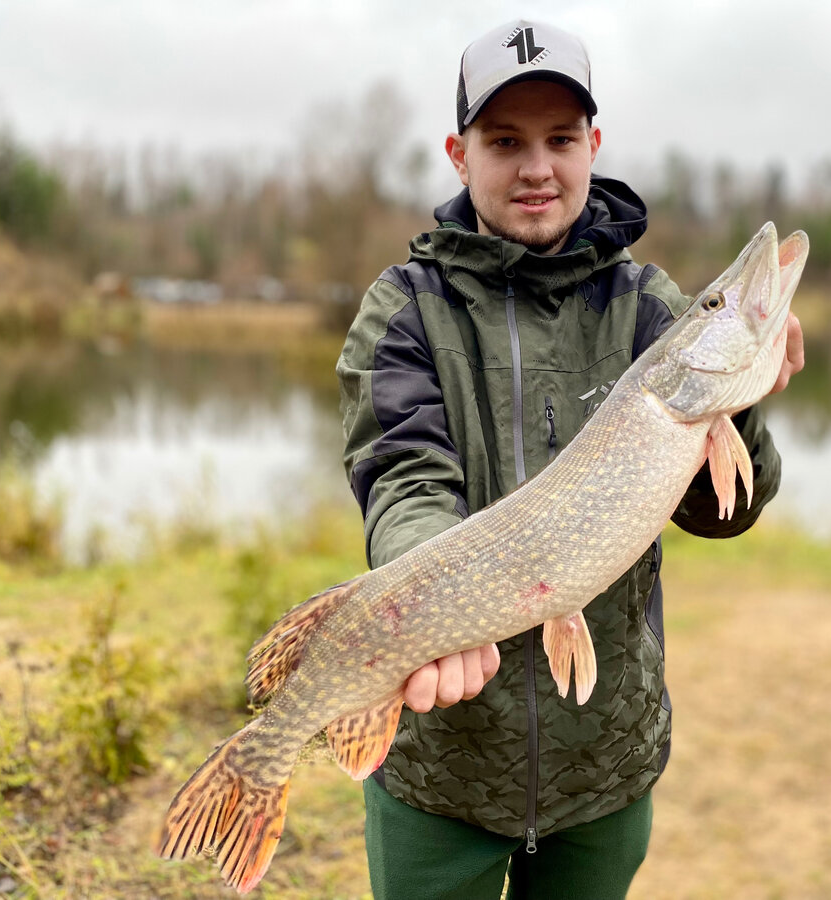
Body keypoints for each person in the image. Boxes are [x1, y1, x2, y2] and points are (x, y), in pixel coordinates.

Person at [335, 18, 804, 900]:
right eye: (504, 141)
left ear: (594, 145)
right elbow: (403, 477)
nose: (536, 166)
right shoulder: (403, 312)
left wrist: (746, 407)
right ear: (458, 152)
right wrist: (434, 595)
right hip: (443, 768)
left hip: (603, 762)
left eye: (559, 139)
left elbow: (729, 512)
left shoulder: (652, 309)